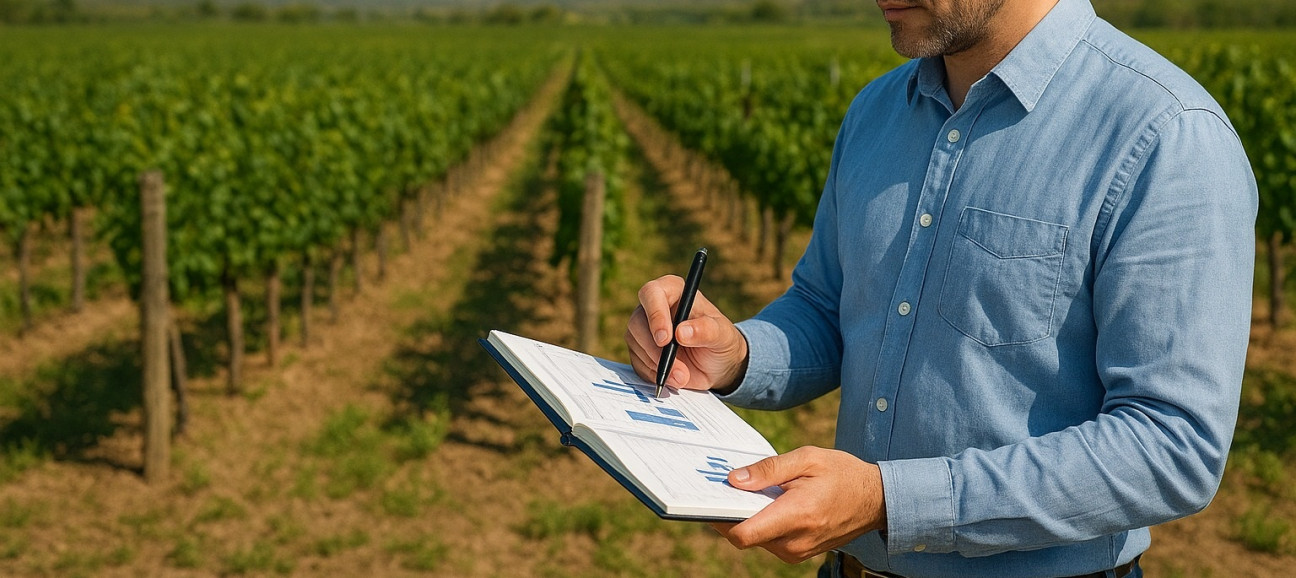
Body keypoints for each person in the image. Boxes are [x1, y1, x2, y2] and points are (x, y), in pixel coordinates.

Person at [623, 0, 1258, 576]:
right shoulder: (876, 111)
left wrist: (889, 501)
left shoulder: (1166, 134)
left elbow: (1172, 446)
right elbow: (827, 307)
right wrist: (736, 354)